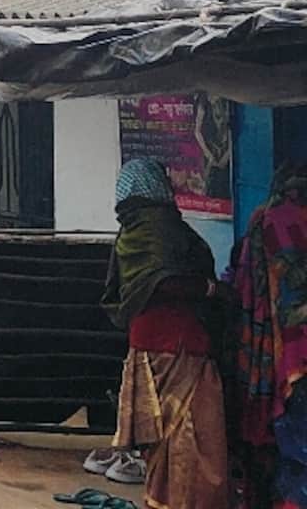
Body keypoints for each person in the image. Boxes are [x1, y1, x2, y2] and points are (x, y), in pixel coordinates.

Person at [103, 156, 229, 509]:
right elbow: (166, 281)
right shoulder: (163, 227)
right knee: (195, 438)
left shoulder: (131, 230)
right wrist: (211, 290)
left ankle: (160, 500)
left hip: (145, 344)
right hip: (179, 343)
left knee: (162, 439)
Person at [232, 159, 307, 509]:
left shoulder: (264, 219)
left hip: (278, 359)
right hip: (294, 354)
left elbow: (245, 286)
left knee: (289, 459)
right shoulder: (285, 220)